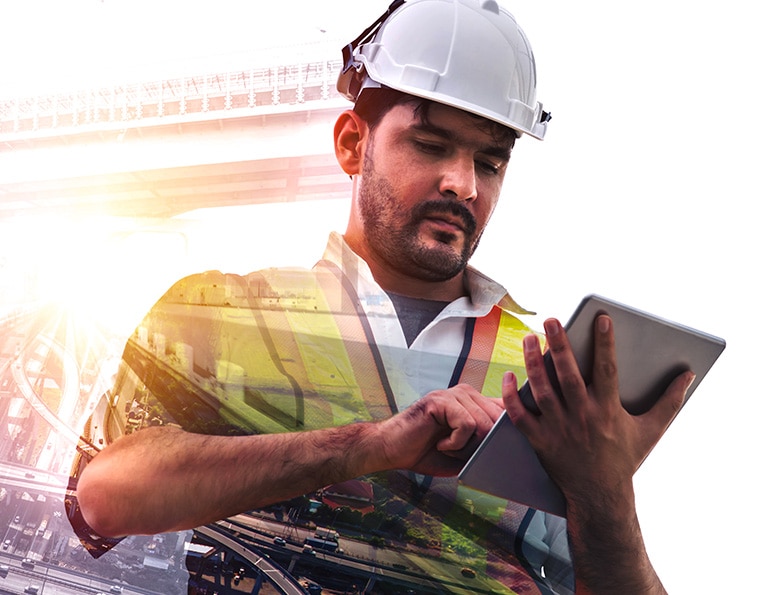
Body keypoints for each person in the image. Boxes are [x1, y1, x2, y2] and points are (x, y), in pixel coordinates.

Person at [71, 1, 693, 593]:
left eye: (491, 162)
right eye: (431, 145)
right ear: (350, 143)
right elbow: (99, 498)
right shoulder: (219, 312)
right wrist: (369, 444)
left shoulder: (553, 377)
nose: (464, 183)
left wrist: (604, 495)